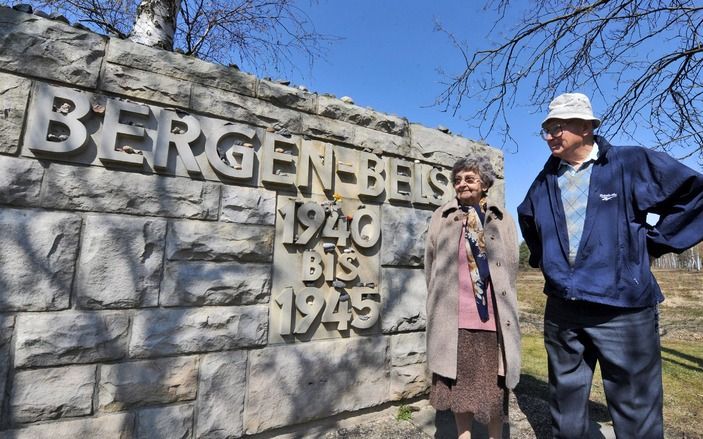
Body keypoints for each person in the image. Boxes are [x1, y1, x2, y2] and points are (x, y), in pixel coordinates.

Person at [517, 92, 703, 438]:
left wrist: (654, 242)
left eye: (559, 126)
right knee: (565, 409)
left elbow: (696, 194)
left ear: (587, 127)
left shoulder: (629, 164)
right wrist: (551, 265)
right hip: (563, 311)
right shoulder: (543, 183)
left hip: (623, 309)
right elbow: (529, 221)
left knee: (636, 412)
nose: (550, 134)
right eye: (546, 128)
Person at [425, 156, 521, 439]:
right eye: (457, 180)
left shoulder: (501, 218)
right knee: (460, 388)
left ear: (484, 183)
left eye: (469, 178)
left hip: (493, 318)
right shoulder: (442, 217)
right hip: (453, 316)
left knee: (493, 390)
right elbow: (430, 263)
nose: (462, 184)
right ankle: (463, 435)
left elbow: (512, 264)